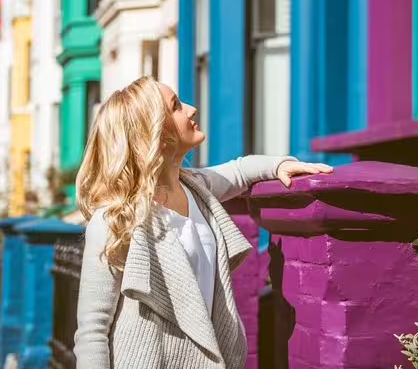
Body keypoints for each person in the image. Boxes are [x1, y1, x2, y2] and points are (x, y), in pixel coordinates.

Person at [73, 76, 333, 368]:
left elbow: (240, 170)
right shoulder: (115, 220)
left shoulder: (195, 188)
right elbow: (92, 331)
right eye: (176, 106)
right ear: (154, 134)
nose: (192, 108)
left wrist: (280, 164)